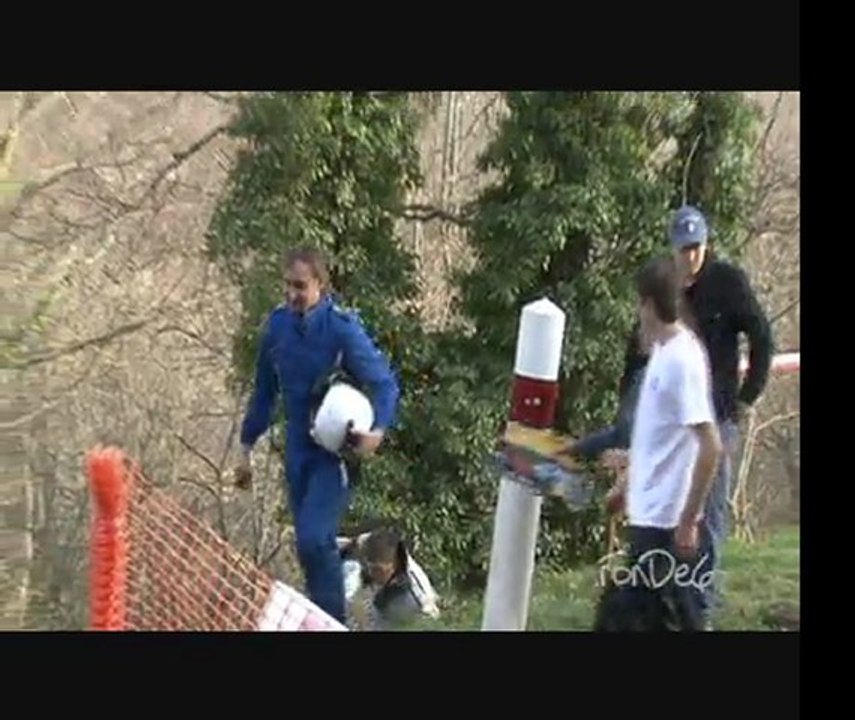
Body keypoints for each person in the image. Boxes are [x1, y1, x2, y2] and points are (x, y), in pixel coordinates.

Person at [618, 205, 773, 627]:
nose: (690, 256)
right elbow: (635, 360)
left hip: (712, 416)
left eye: (696, 247)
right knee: (663, 518)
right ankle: (661, 603)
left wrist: (744, 398)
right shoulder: (665, 292)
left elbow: (761, 336)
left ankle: (696, 609)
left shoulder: (726, 283)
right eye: (683, 248)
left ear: (705, 245)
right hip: (668, 427)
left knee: (706, 520)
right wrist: (628, 428)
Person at [235, 247, 401, 625]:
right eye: (288, 285)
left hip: (332, 457)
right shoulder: (277, 327)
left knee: (313, 538)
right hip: (297, 453)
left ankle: (332, 622)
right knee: (307, 548)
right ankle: (330, 599)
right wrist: (245, 449)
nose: (293, 294)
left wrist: (378, 431)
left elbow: (385, 384)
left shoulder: (342, 329)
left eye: (301, 286)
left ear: (320, 286)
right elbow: (263, 393)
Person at [596, 255, 723, 631]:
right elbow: (661, 440)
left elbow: (710, 445)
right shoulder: (661, 355)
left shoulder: (682, 360)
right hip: (648, 517)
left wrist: (688, 520)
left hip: (668, 527)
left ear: (649, 303)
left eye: (639, 303)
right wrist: (627, 480)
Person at [338, 526, 440, 630]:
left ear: (393, 565)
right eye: (370, 566)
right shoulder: (369, 543)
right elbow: (352, 543)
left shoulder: (418, 596)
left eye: (377, 570)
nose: (372, 572)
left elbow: (431, 619)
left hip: (398, 606)